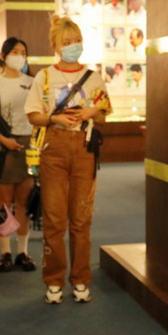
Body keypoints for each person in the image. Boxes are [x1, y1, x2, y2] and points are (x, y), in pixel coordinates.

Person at [25, 15, 112, 304]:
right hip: (54, 147)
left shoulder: (93, 76)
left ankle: (81, 278)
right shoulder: (44, 76)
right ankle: (53, 279)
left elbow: (104, 113)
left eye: (77, 41)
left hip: (84, 148)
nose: (73, 46)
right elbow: (33, 115)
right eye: (67, 42)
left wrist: (91, 112)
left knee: (81, 218)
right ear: (55, 46)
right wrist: (54, 118)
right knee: (53, 218)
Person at [0, 37, 36, 273]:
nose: (19, 56)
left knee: (24, 201)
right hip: (5, 146)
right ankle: (5, 251)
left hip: (29, 145)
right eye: (15, 52)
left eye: (23, 52)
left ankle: (23, 251)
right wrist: (3, 140)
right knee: (4, 201)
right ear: (3, 55)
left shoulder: (32, 82)